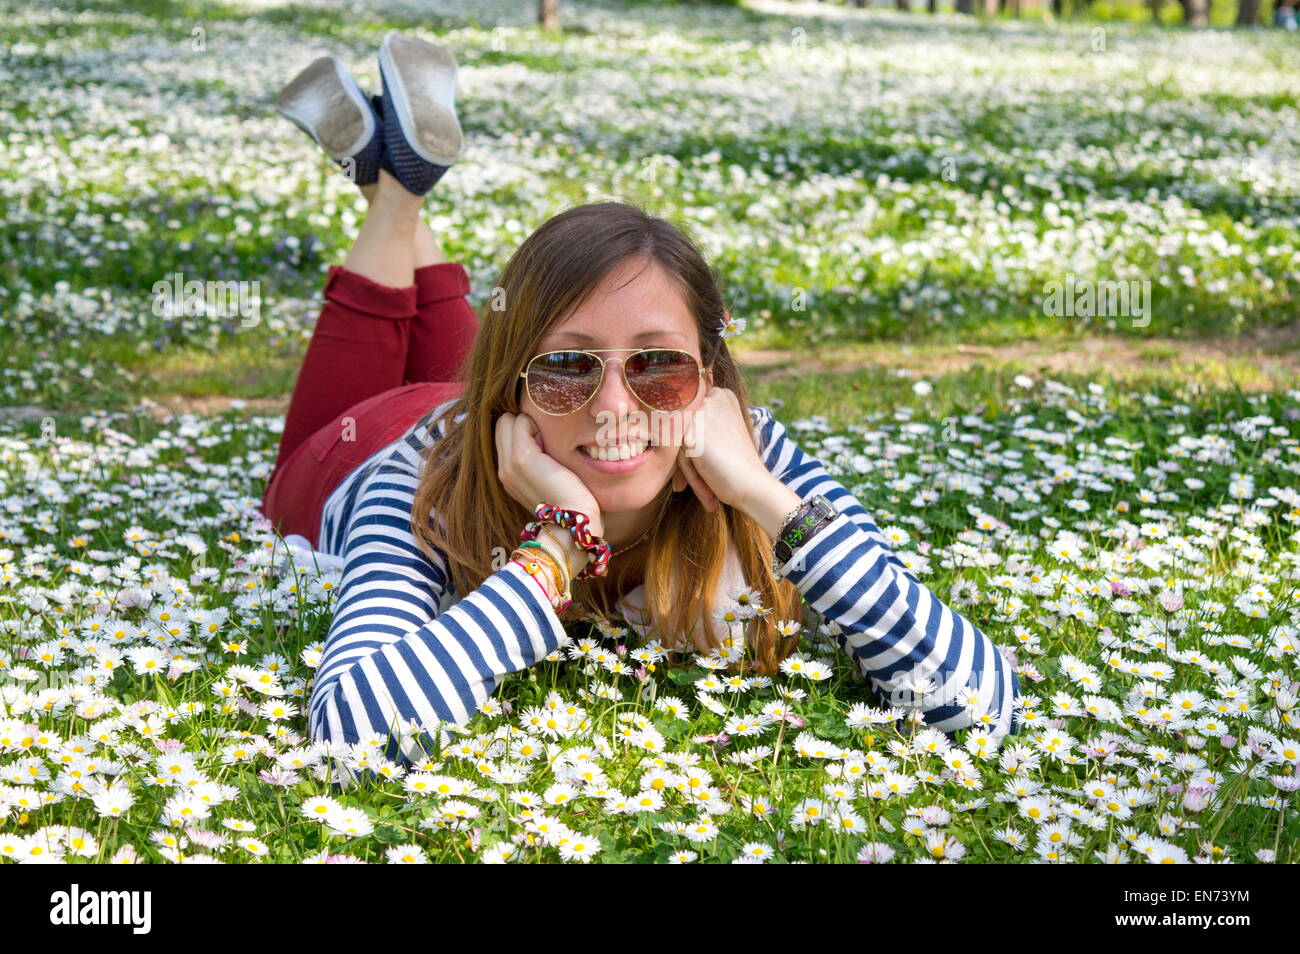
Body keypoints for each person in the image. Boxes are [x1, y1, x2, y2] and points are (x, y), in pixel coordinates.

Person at [262, 33, 1021, 775]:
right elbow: (350, 741)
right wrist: (558, 546)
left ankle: (387, 176)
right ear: (512, 384)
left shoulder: (749, 450)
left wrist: (767, 499)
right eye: (567, 365)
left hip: (492, 406)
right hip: (353, 448)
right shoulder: (418, 480)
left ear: (711, 375)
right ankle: (392, 195)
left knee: (475, 334)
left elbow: (984, 709)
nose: (616, 406)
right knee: (385, 343)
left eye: (658, 364)